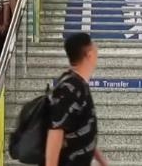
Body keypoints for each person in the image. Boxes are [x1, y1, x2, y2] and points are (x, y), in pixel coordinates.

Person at [44, 33, 106, 166]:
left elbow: (83, 129)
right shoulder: (69, 88)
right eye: (94, 47)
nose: (97, 50)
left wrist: (102, 161)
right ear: (89, 55)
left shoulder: (79, 85)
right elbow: (55, 132)